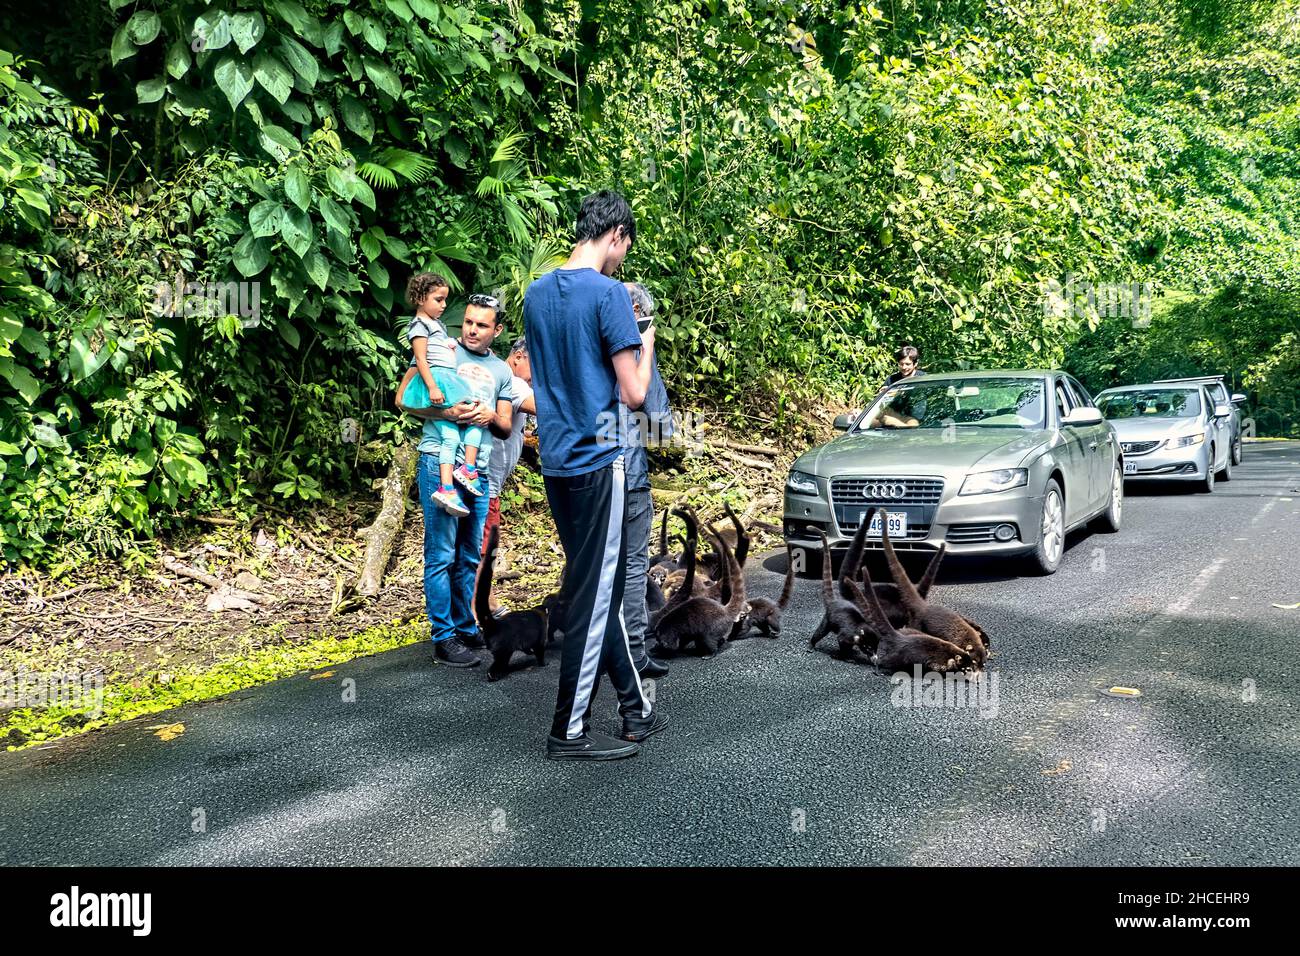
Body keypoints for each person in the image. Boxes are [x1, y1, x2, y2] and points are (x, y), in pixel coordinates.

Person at [523, 190, 666, 761]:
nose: (622, 260)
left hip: (556, 461)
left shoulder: (535, 294)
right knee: (590, 598)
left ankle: (635, 708)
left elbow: (542, 378)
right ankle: (569, 730)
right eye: (624, 249)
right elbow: (634, 394)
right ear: (617, 236)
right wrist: (646, 340)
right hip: (600, 459)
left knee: (595, 588)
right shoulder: (609, 295)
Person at [397, 294, 515, 667]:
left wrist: (488, 416)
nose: (472, 330)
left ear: (496, 330)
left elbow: (507, 425)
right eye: (467, 322)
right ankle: (443, 637)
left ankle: (465, 625)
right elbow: (402, 399)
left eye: (481, 325)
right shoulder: (439, 349)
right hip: (438, 460)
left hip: (476, 470)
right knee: (441, 553)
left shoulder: (502, 371)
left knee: (468, 555)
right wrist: (444, 410)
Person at [399, 273, 489, 517]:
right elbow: (420, 358)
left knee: (455, 433)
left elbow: (436, 346)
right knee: (471, 414)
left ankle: (449, 485)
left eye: (445, 300)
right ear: (420, 298)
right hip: (440, 380)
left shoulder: (434, 324)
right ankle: (467, 471)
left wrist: (448, 345)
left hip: (447, 378)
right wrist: (432, 387)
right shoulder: (419, 325)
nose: (444, 305)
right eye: (438, 299)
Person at [618, 282, 672, 680]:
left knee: (596, 567)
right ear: (637, 310)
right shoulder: (634, 348)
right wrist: (646, 346)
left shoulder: (583, 340)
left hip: (582, 471)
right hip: (629, 472)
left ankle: (596, 648)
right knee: (634, 565)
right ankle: (632, 653)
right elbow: (657, 420)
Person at [476, 336, 536, 616]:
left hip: (487, 478)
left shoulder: (497, 377)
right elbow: (543, 407)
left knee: (483, 543)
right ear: (519, 357)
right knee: (484, 544)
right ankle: (480, 609)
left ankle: (484, 602)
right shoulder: (513, 381)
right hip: (484, 479)